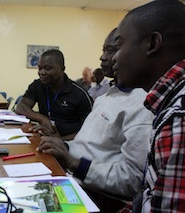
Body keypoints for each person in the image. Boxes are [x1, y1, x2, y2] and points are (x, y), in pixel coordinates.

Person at [37, 28, 154, 212]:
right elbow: (87, 146)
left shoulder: (142, 104)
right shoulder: (106, 97)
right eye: (104, 50)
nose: (104, 57)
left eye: (112, 50)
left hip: (99, 197)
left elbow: (133, 180)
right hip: (73, 179)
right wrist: (62, 147)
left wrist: (71, 161)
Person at [112, 0, 185, 212]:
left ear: (152, 44)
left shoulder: (178, 117)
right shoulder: (169, 102)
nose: (114, 58)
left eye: (119, 45)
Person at [15, 49, 93, 141]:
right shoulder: (38, 85)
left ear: (62, 69)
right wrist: (43, 119)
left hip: (71, 144)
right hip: (45, 139)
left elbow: (90, 131)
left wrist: (60, 140)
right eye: (40, 68)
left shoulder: (79, 94)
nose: (42, 72)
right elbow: (21, 107)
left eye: (48, 68)